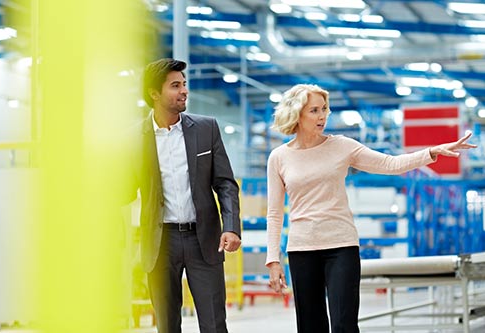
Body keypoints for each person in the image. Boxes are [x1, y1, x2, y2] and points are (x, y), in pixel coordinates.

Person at [265, 84, 477, 333]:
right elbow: (275, 212)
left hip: (341, 246)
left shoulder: (342, 146)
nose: (322, 116)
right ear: (297, 113)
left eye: (324, 109)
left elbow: (390, 164)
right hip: (301, 249)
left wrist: (432, 152)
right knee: (310, 326)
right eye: (314, 110)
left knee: (345, 325)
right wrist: (273, 260)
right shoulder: (279, 157)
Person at [139, 58, 241, 333]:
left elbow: (225, 184)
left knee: (214, 324)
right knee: (167, 325)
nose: (184, 91)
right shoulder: (134, 137)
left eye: (184, 84)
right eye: (175, 86)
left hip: (203, 240)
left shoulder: (206, 128)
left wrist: (231, 227)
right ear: (154, 93)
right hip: (160, 244)